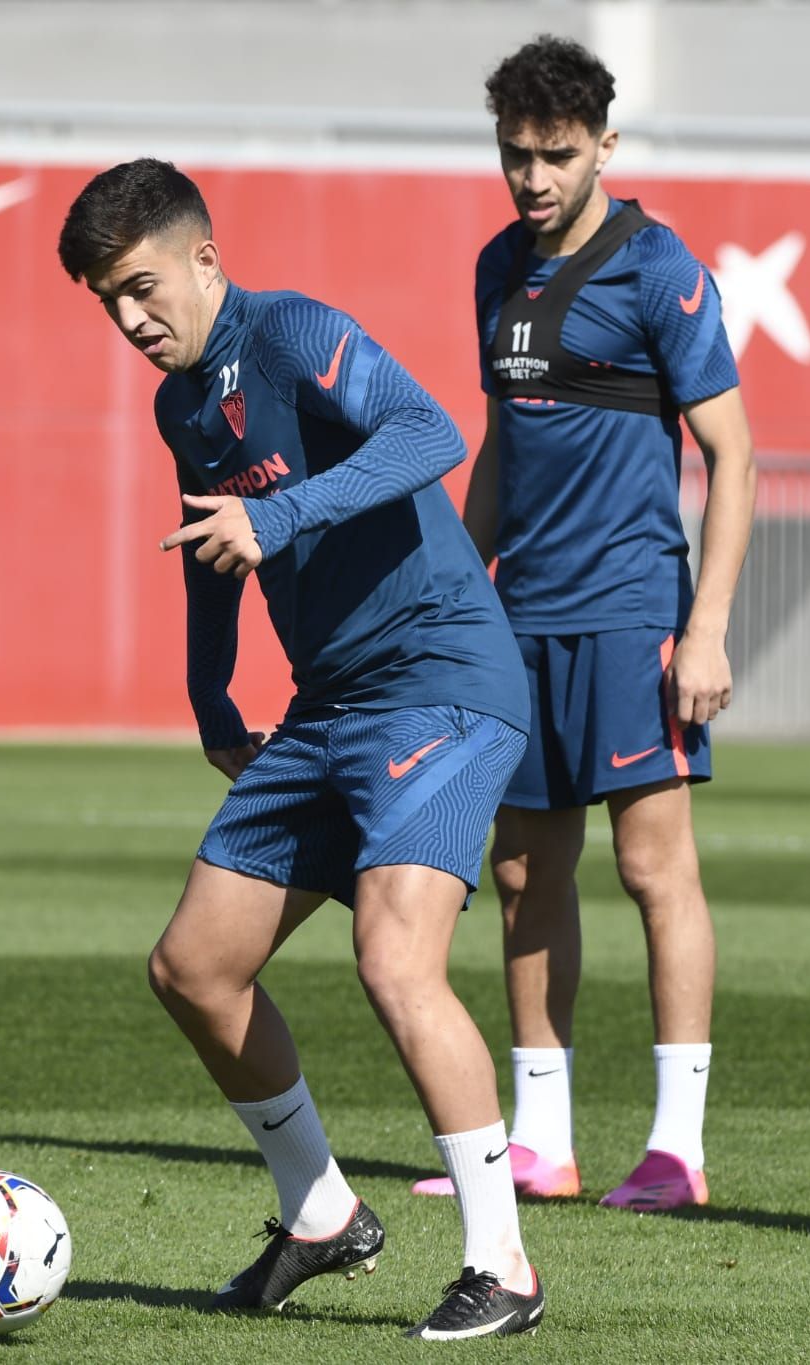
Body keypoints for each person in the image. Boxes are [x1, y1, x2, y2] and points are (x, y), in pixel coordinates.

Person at [58, 158, 545, 1340]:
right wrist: (209, 696)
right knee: (193, 969)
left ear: (204, 260)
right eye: (105, 301)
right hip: (326, 704)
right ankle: (320, 1210)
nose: (129, 320)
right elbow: (209, 547)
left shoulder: (295, 335)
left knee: (393, 962)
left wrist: (275, 515)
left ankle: (504, 1266)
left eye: (139, 287)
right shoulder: (179, 406)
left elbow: (426, 431)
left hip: (440, 685)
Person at [409, 36, 755, 1212]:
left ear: (603, 146)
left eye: (556, 156)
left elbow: (734, 457)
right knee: (520, 872)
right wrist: (455, 592)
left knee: (654, 871)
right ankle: (539, 1144)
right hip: (518, 622)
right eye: (516, 156)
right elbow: (502, 446)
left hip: (631, 620)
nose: (534, 178)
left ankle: (674, 1150)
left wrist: (704, 629)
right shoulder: (493, 270)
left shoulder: (659, 271)